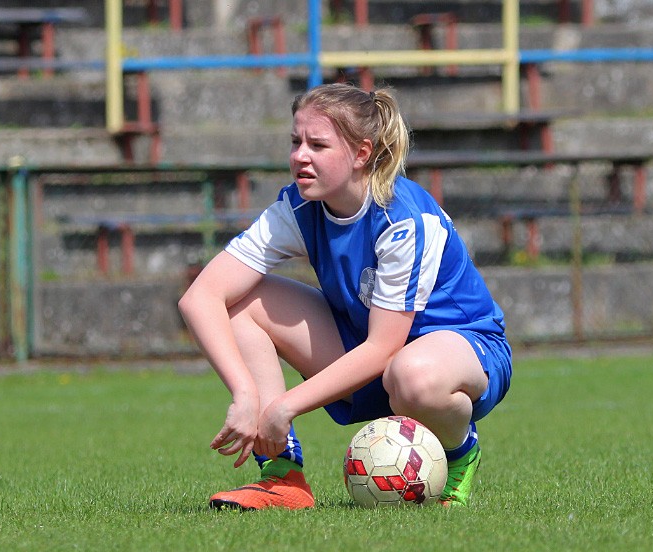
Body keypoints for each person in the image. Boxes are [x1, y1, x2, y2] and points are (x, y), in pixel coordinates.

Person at [178, 83, 512, 510]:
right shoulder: (297, 208)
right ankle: (282, 477)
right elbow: (200, 298)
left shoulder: (403, 220)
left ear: (361, 154)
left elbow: (383, 348)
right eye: (296, 142)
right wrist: (246, 394)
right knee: (242, 303)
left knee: (413, 374)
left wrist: (283, 406)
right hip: (372, 358)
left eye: (318, 145)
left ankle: (460, 451)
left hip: (462, 353)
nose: (300, 155)